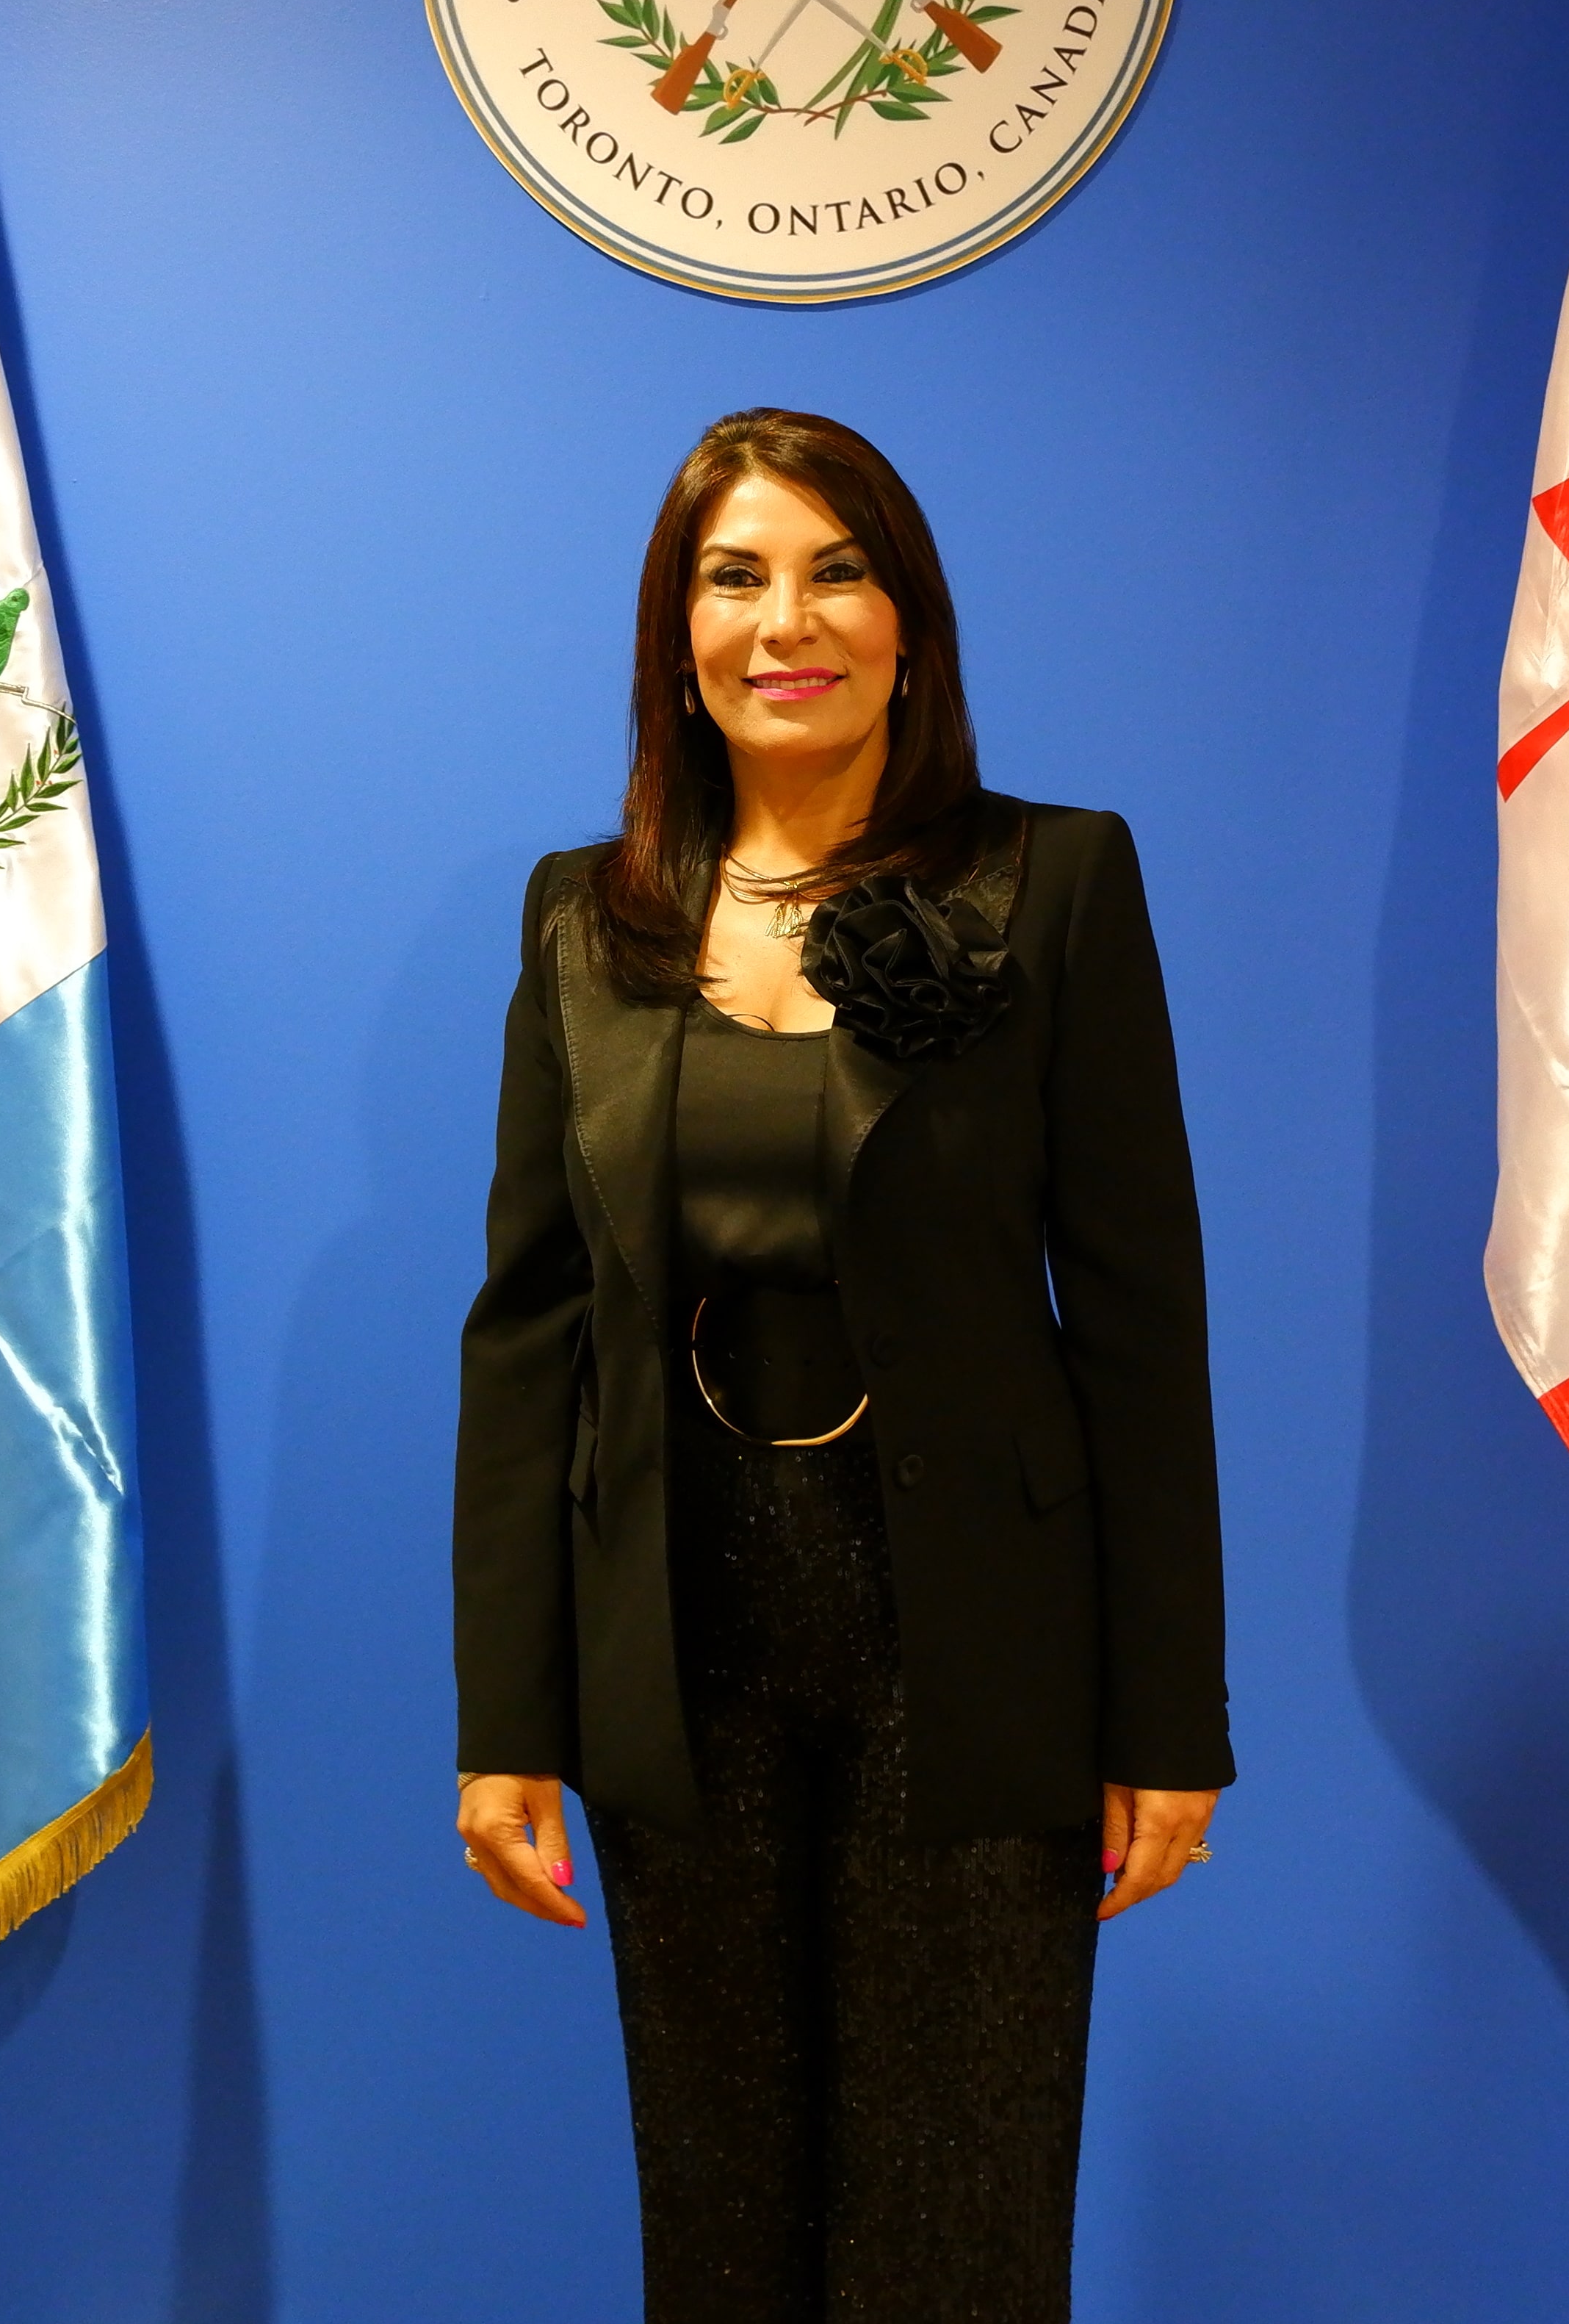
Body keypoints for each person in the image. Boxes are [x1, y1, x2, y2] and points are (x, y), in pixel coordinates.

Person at [452, 406, 1231, 2320]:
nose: (784, 621)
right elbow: (529, 1330)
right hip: (678, 1630)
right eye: (734, 578)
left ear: (908, 626)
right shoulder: (582, 918)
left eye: (837, 571)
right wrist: (508, 1716)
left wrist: (1168, 1723)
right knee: (722, 2229)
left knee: (955, 2231)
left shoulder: (1054, 882)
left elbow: (1141, 1324)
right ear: (679, 640)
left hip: (970, 1637)